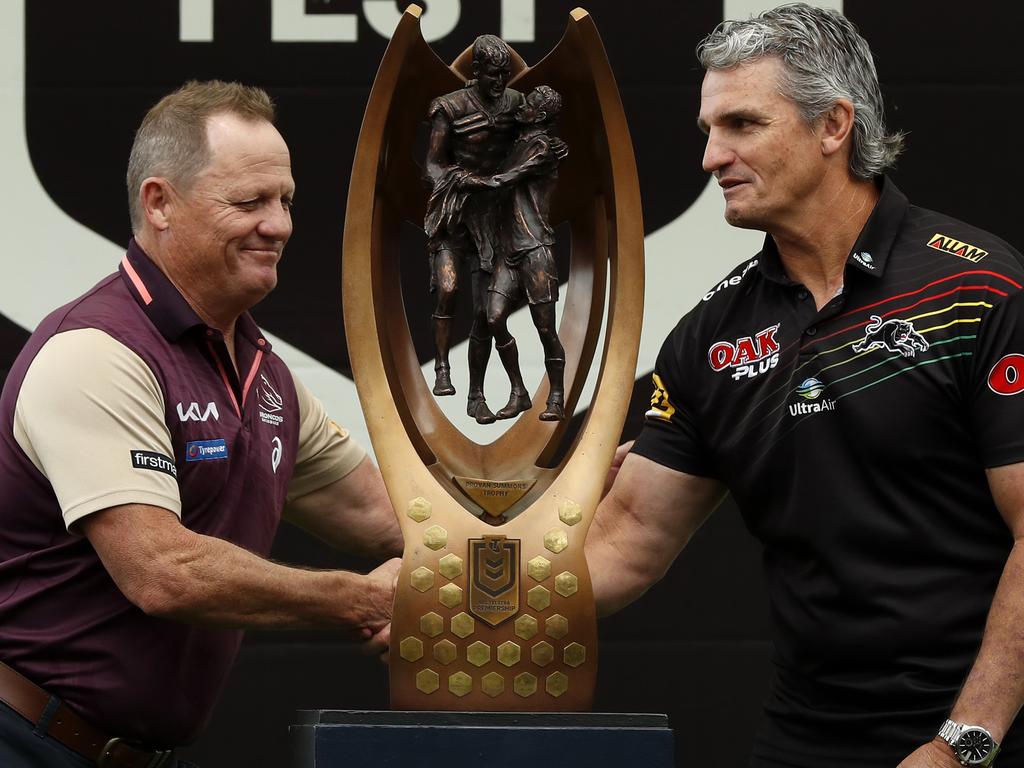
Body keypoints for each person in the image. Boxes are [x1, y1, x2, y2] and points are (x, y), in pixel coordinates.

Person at [586, 5, 1024, 767]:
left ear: (834, 126)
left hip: (985, 733)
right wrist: (448, 603)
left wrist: (964, 742)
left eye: (743, 125)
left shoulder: (979, 288)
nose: (711, 157)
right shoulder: (707, 337)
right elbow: (623, 545)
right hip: (808, 737)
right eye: (708, 131)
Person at [0, 80, 403, 768]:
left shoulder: (266, 375)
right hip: (27, 745)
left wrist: (563, 493)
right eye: (249, 202)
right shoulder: (95, 352)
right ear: (160, 203)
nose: (278, 225)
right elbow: (165, 571)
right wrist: (360, 598)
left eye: (285, 201)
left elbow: (396, 517)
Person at [423, 34, 524, 424]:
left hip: (493, 217)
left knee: (484, 313)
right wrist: (464, 180)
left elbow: (534, 134)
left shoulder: (516, 103)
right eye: (494, 74)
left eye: (505, 74)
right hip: (454, 211)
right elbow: (432, 166)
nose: (500, 81)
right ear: (476, 72)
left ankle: (476, 395)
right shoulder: (449, 108)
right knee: (448, 289)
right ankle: (442, 366)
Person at [486, 85, 567, 421]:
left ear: (543, 114)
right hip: (509, 252)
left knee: (545, 328)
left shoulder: (543, 146)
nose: (524, 106)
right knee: (493, 318)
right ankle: (519, 391)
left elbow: (509, 177)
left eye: (531, 104)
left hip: (535, 249)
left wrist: (477, 180)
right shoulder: (518, 142)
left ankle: (557, 396)